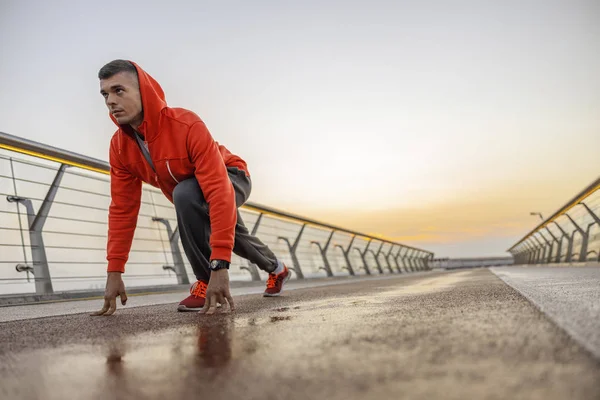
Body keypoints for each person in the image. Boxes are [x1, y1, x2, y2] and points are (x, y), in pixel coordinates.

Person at [91, 60, 291, 316]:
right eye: (105, 94)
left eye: (119, 90)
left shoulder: (185, 124)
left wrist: (218, 268)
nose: (110, 100)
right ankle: (278, 269)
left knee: (186, 194)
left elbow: (218, 190)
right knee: (236, 238)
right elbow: (122, 209)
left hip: (231, 174)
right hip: (193, 191)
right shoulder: (119, 147)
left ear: (144, 91)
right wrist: (114, 272)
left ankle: (204, 280)